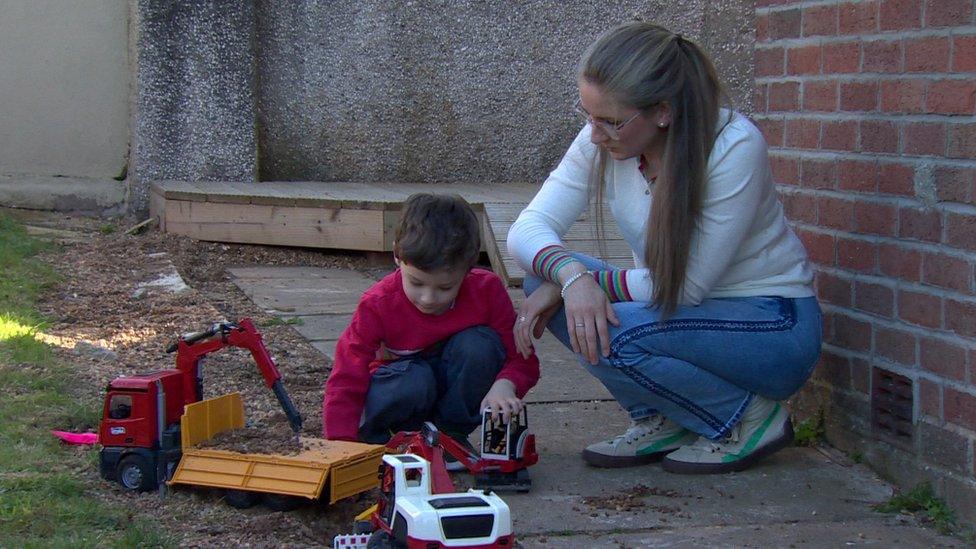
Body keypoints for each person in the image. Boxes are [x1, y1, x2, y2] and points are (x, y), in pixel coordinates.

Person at [507, 21, 821, 474]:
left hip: (770, 325)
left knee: (616, 331)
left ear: (663, 112)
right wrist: (570, 277)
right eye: (587, 115)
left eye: (610, 121)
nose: (594, 134)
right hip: (681, 314)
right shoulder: (604, 140)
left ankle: (748, 418)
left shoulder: (732, 146)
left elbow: (687, 285)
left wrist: (586, 281)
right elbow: (527, 228)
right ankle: (665, 417)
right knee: (545, 279)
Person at [323, 193, 540, 457]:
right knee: (416, 379)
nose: (428, 298)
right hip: (400, 389)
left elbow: (522, 358)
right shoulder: (377, 303)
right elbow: (347, 374)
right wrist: (339, 447)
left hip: (450, 391)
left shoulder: (487, 291)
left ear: (468, 269)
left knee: (479, 345)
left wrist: (507, 383)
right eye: (416, 283)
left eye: (445, 287)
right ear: (396, 256)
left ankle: (449, 439)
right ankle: (384, 441)